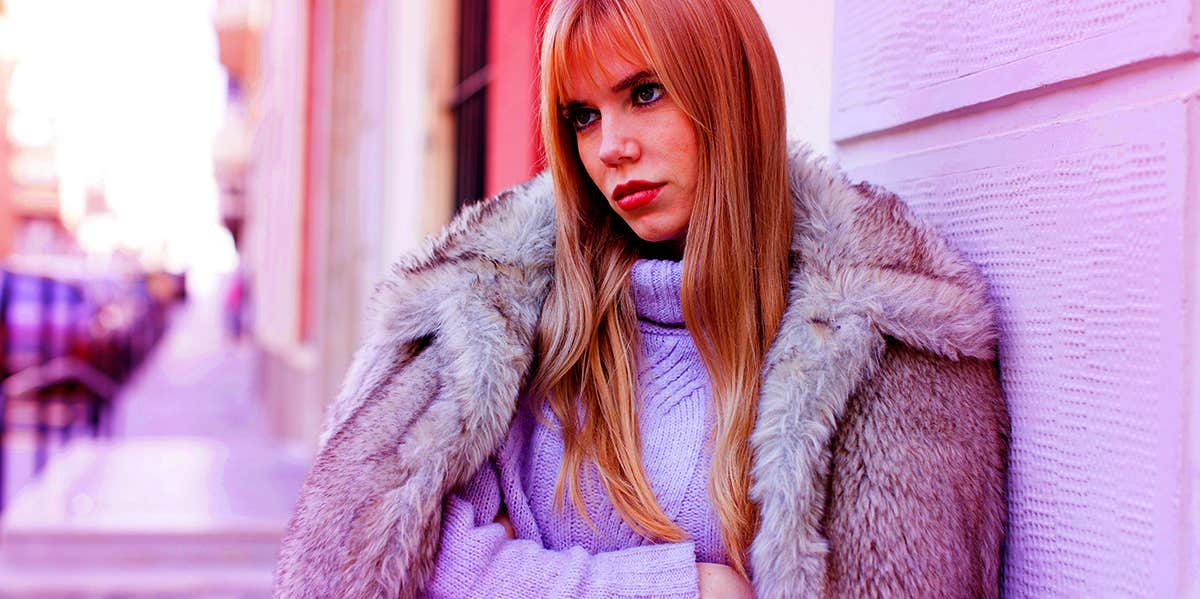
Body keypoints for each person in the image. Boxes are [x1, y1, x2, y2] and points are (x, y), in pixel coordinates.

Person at [273, 0, 1009, 597]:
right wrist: (684, 588)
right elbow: (382, 557)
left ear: (731, 90)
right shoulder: (513, 329)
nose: (610, 147)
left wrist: (511, 567)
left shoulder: (878, 342)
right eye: (582, 115)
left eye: (644, 93)